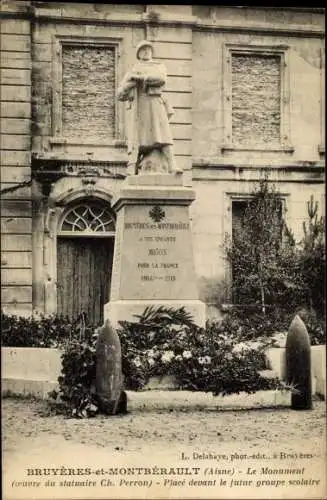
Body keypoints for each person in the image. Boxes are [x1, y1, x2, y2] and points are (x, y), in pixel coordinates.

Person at [117, 40, 182, 175]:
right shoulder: (132, 70)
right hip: (138, 108)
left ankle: (172, 164)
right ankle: (132, 166)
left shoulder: (159, 66)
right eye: (143, 50)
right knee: (137, 139)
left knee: (164, 135)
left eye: (148, 49)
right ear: (138, 54)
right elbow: (120, 94)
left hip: (155, 104)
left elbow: (161, 79)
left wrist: (140, 78)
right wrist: (130, 84)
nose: (146, 52)